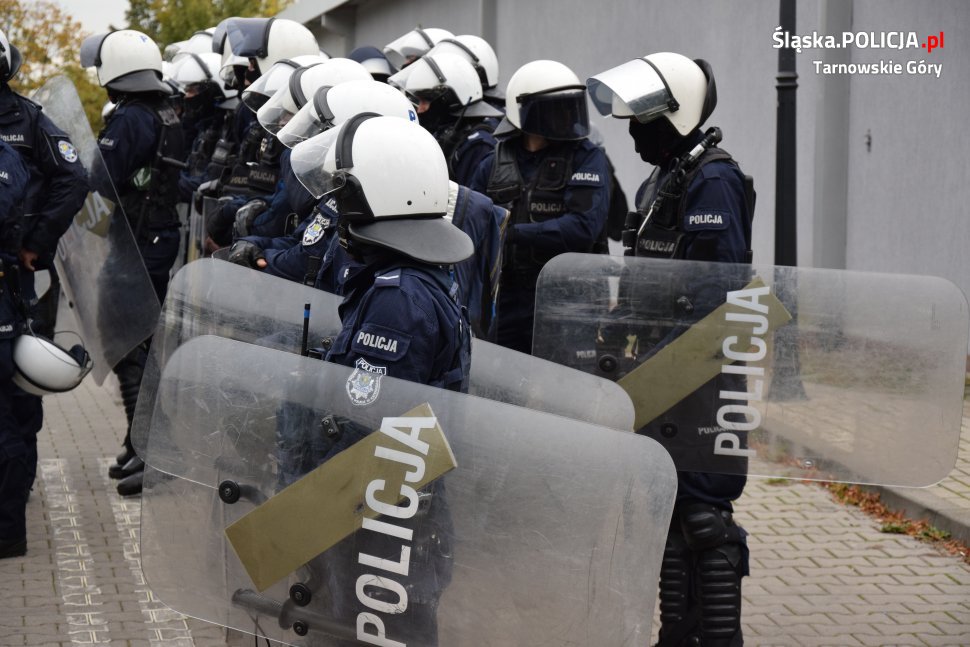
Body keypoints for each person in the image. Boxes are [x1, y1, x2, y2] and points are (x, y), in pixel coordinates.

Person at [587, 52, 754, 646]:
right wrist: (615, 328)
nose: (633, 130)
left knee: (705, 516)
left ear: (675, 114)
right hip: (657, 369)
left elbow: (717, 284)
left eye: (643, 118)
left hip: (703, 372)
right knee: (669, 509)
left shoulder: (713, 180)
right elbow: (644, 273)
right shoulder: (660, 181)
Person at [286, 115, 472, 645]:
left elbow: (364, 423)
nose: (338, 212)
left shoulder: (399, 297)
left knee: (376, 632)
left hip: (384, 516)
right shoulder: (414, 276)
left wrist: (307, 498)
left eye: (345, 197)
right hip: (395, 505)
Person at [80, 29, 188, 495]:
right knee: (142, 342)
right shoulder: (166, 112)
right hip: (156, 239)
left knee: (127, 344)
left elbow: (100, 180)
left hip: (135, 245)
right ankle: (137, 441)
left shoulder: (129, 119)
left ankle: (154, 452)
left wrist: (79, 229)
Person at [0, 28, 89, 527]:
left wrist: (35, 241)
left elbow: (74, 178)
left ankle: (16, 487)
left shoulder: (30, 120)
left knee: (22, 378)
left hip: (23, 273)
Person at [469, 59, 610, 354]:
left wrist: (511, 233)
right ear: (524, 111)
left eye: (571, 107)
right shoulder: (491, 164)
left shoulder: (587, 158)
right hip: (505, 301)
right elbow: (472, 228)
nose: (567, 116)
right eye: (556, 109)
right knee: (500, 377)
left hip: (567, 300)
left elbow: (582, 229)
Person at [394, 51, 503, 187]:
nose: (419, 109)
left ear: (449, 100)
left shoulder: (478, 146)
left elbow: (469, 198)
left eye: (425, 101)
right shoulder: (447, 133)